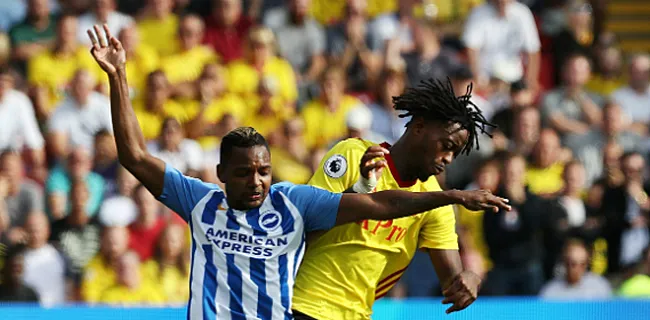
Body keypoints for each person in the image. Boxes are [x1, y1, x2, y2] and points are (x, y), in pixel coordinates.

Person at [86, 24, 510, 319]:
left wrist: (469, 273)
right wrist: (120, 76)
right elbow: (136, 157)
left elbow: (441, 268)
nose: (256, 181)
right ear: (219, 173)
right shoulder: (211, 202)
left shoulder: (298, 202)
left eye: (264, 172)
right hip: (304, 306)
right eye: (243, 173)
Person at [291, 79, 499, 320]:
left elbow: (452, 283)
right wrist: (360, 189)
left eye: (455, 153)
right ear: (419, 126)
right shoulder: (353, 154)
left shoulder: (435, 201)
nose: (448, 159)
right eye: (446, 145)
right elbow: (307, 226)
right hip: (302, 304)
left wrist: (470, 278)